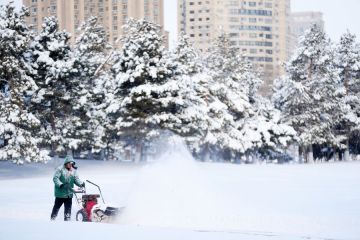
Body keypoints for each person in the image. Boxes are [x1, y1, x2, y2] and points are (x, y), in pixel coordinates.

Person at [50, 156, 85, 221]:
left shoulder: (73, 171)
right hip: (60, 194)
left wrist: (81, 184)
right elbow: (55, 178)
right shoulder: (60, 169)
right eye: (69, 163)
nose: (70, 165)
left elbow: (76, 179)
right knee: (56, 208)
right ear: (66, 163)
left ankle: (67, 221)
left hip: (69, 194)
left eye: (71, 163)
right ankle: (52, 219)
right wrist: (61, 185)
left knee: (68, 210)